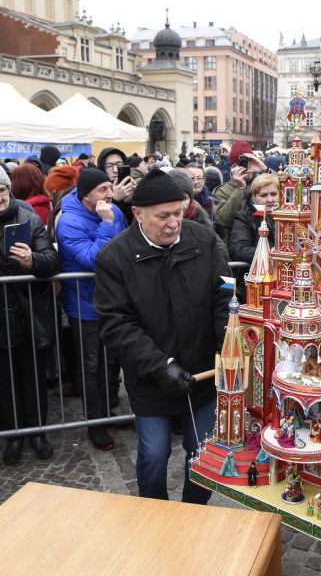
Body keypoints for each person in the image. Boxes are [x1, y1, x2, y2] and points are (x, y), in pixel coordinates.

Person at [94, 169, 230, 504]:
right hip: (152, 379)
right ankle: (154, 515)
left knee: (202, 454)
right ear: (138, 214)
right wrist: (161, 366)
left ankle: (191, 513)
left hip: (201, 373)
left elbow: (224, 295)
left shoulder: (204, 239)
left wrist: (228, 341)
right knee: (153, 456)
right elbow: (117, 325)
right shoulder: (114, 257)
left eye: (179, 212)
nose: (174, 223)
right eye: (163, 216)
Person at [56, 168, 127, 451]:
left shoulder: (112, 211)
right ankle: (95, 423)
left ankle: (108, 413)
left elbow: (122, 250)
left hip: (111, 300)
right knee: (90, 366)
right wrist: (107, 224)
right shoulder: (69, 221)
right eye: (102, 190)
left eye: (109, 187)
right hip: (83, 304)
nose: (110, 194)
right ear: (86, 195)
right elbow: (93, 260)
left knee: (110, 361)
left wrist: (111, 220)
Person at [0, 168, 60, 464]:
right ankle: (12, 436)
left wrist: (32, 260)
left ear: (8, 189)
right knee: (4, 380)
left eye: (1, 189)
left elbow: (51, 260)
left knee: (32, 376)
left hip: (27, 313)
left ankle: (38, 432)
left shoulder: (28, 216)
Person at [213, 140, 267, 242]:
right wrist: (240, 188)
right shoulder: (223, 191)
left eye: (247, 163)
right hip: (237, 245)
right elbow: (224, 220)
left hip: (267, 241)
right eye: (240, 164)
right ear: (232, 167)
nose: (244, 167)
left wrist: (265, 170)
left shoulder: (264, 183)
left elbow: (286, 195)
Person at [228, 173, 278, 264]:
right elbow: (238, 249)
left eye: (274, 194)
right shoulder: (244, 217)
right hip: (259, 271)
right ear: (254, 197)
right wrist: (270, 253)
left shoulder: (291, 215)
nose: (270, 200)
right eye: (264, 195)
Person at [97, 146, 137, 224]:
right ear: (102, 168)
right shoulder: (96, 190)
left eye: (119, 165)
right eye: (109, 166)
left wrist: (129, 202)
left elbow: (132, 225)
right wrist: (115, 200)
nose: (115, 170)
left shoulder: (132, 186)